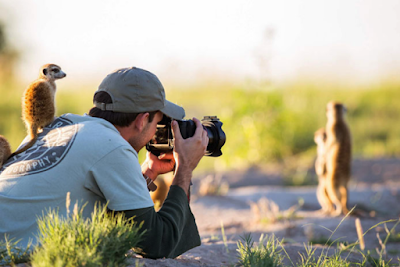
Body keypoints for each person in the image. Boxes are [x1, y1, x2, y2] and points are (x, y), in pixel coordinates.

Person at [0, 67, 208, 258]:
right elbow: (157, 244)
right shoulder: (113, 146)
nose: (155, 132)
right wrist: (184, 169)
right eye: (157, 122)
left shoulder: (57, 125)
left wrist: (149, 171)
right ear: (142, 120)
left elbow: (110, 211)